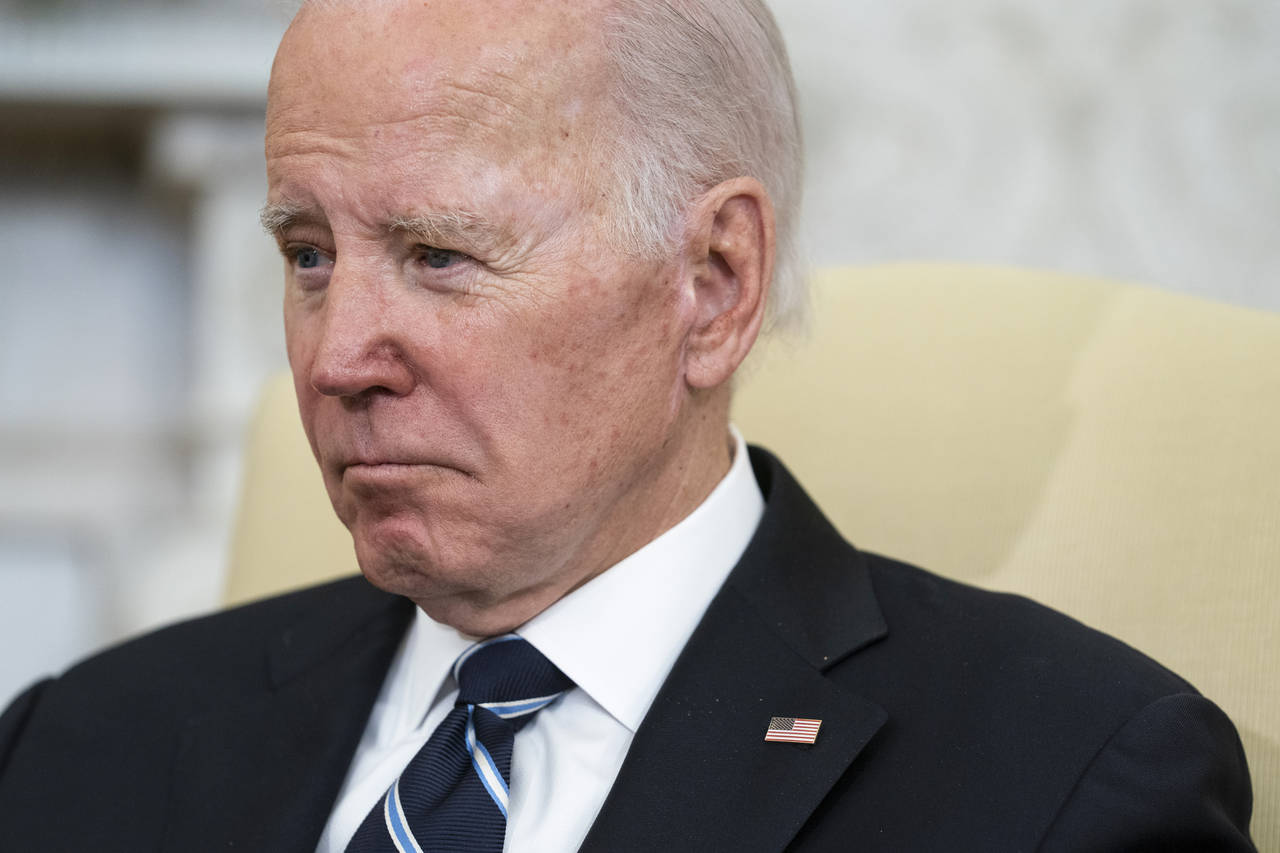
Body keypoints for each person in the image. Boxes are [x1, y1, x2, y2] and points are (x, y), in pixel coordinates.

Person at [0, 0, 1256, 850]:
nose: (335, 359)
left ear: (711, 282)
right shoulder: (77, 751)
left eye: (438, 254)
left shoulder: (1063, 784)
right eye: (309, 253)